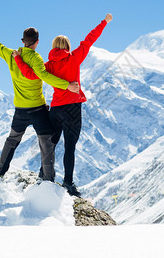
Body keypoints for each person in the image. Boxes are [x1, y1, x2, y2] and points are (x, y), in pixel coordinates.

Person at [13, 13, 113, 196]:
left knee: (50, 144)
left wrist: (18, 59)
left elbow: (30, 74)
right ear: (67, 47)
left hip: (56, 109)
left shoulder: (47, 66)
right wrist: (104, 22)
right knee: (70, 147)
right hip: (73, 108)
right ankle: (68, 182)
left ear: (53, 47)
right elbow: (90, 39)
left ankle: (43, 174)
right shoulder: (75, 57)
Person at [0, 14, 80, 182]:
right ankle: (48, 181)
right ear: (37, 41)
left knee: (12, 140)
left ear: (23, 41)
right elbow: (44, 75)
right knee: (46, 144)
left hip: (20, 110)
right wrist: (67, 85)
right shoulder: (36, 58)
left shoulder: (10, 55)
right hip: (38, 110)